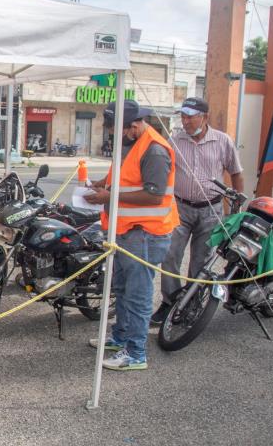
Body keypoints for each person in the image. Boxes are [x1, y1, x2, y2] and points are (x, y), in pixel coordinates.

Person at [84, 100, 178, 371]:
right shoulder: (130, 144)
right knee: (122, 289)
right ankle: (120, 338)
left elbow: (154, 194)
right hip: (127, 232)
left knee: (138, 294)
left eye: (120, 129)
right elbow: (124, 178)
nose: (116, 135)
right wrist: (102, 184)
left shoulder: (155, 150)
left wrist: (108, 195)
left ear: (135, 125)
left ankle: (136, 353)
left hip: (146, 234)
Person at [151, 97, 243, 324]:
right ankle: (170, 301)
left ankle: (191, 303)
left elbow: (236, 172)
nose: (186, 121)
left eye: (190, 116)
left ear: (205, 117)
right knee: (170, 255)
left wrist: (237, 206)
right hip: (180, 207)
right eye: (183, 116)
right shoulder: (175, 140)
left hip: (211, 209)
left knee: (201, 261)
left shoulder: (222, 141)